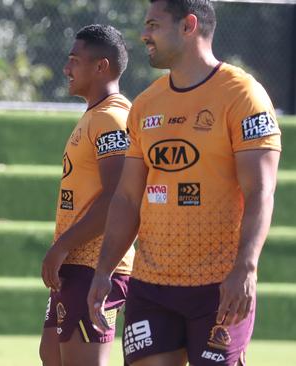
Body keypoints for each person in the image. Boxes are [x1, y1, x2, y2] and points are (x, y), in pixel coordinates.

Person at [87, 1, 281, 365]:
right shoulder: (145, 104)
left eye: (154, 25)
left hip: (219, 287)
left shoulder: (243, 95)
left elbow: (261, 191)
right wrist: (103, 271)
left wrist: (246, 267)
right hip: (151, 288)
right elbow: (128, 198)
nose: (144, 34)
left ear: (188, 25)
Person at [39, 24, 135, 366]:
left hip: (95, 265)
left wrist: (62, 245)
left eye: (74, 60)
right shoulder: (93, 116)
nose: (66, 68)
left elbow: (116, 198)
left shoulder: (111, 118)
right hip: (75, 265)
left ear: (101, 66)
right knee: (51, 355)